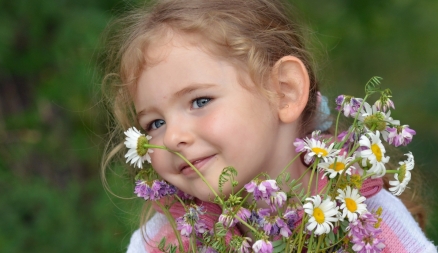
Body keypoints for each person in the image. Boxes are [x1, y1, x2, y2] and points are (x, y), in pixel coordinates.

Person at [100, 0, 437, 252]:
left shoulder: (365, 219)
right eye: (154, 123)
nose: (172, 137)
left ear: (283, 92)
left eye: (200, 101)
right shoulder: (172, 234)